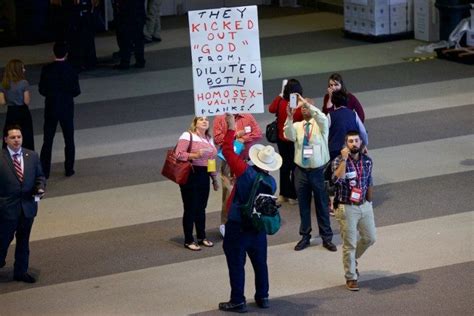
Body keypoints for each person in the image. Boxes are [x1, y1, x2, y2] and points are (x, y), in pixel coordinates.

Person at [218, 113, 282, 313]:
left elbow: (227, 151)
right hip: (258, 227)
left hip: (238, 225)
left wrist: (230, 128)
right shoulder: (271, 182)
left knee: (236, 264)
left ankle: (237, 300)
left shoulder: (245, 172)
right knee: (260, 263)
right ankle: (262, 296)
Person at [284, 95, 337, 252]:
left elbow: (320, 116)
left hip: (318, 171)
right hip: (301, 171)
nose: (304, 108)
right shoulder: (298, 125)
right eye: (302, 107)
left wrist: (305, 102)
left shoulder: (322, 124)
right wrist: (289, 117)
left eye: (307, 106)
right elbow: (288, 135)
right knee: (304, 206)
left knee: (322, 204)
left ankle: (327, 238)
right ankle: (305, 237)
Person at [0, 125, 46, 283]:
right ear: (5, 140)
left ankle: (21, 271)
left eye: (19, 137)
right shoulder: (1, 157)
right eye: (12, 137)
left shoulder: (31, 156)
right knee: (3, 240)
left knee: (23, 241)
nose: (16, 140)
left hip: (27, 207)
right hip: (6, 209)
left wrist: (40, 188)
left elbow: (40, 176)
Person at [332, 131, 376, 291]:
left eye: (356, 141)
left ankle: (352, 259)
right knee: (349, 244)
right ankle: (351, 277)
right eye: (350, 141)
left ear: (361, 143)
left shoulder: (367, 161)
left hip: (364, 205)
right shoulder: (338, 160)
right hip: (346, 206)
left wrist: (369, 201)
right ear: (346, 145)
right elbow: (335, 180)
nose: (354, 144)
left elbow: (370, 180)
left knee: (370, 238)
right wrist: (344, 159)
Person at [213, 113, 262, 237]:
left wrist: (243, 139)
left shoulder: (248, 117)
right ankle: (225, 223)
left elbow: (257, 133)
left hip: (246, 161)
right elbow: (217, 139)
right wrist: (236, 135)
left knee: (248, 193)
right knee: (229, 194)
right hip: (229, 162)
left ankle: (247, 221)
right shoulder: (220, 118)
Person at [175, 116, 219, 251]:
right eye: (201, 120)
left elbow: (211, 160)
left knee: (201, 207)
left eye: (206, 119)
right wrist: (195, 155)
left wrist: (214, 178)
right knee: (190, 208)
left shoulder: (209, 139)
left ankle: (201, 237)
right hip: (191, 174)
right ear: (195, 123)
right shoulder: (187, 135)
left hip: (204, 175)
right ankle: (188, 240)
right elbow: (178, 154)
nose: (205, 121)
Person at [39, 41, 81, 179]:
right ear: (67, 54)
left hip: (51, 106)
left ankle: (45, 170)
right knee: (69, 139)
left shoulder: (46, 69)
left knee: (48, 140)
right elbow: (76, 91)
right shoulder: (71, 69)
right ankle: (69, 168)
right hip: (67, 107)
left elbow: (42, 90)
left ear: (53, 53)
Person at [268, 78, 304, 205]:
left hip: (281, 138)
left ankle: (283, 193)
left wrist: (279, 95)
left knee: (283, 166)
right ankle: (293, 195)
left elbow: (271, 109)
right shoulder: (297, 104)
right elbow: (299, 117)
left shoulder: (281, 101)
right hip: (294, 139)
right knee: (294, 166)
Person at [0, 59, 35, 151]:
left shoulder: (4, 84)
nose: (24, 70)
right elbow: (26, 101)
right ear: (17, 70)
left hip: (11, 112)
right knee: (26, 136)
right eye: (22, 68)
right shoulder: (24, 83)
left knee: (10, 134)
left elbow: (2, 102)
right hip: (23, 112)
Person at [327, 90, 368, 161]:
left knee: (336, 170)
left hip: (335, 150)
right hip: (351, 149)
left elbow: (324, 133)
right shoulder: (353, 114)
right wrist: (364, 144)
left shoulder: (330, 115)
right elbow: (363, 132)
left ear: (333, 102)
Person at [113, 0, 146, 69]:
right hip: (138, 11)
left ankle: (125, 61)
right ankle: (140, 60)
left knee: (125, 35)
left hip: (127, 10)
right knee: (138, 35)